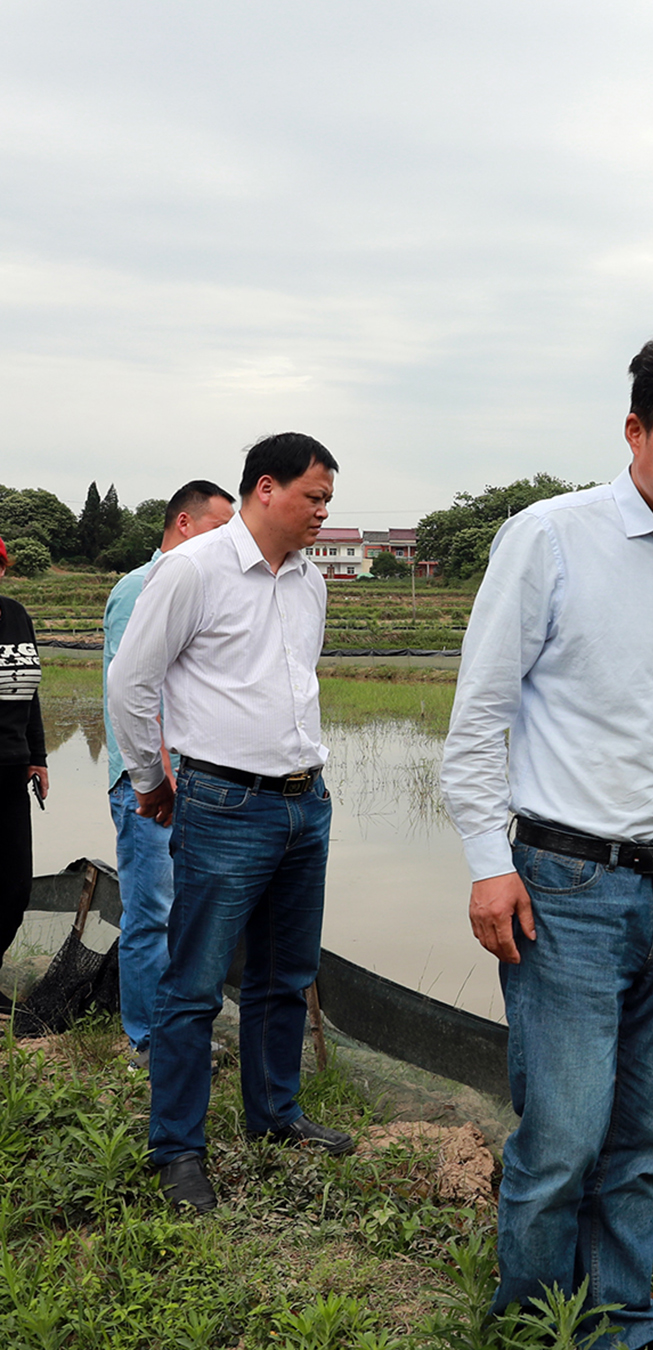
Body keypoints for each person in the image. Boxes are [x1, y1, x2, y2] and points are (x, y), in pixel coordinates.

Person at [440, 325, 653, 1349]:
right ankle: (534, 1323)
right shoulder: (548, 537)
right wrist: (491, 867)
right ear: (636, 430)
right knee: (565, 1138)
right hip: (566, 884)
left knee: (649, 1136)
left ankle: (622, 1320)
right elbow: (478, 715)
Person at [108, 433, 349, 1215]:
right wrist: (151, 780)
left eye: (329, 501)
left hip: (303, 802)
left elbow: (293, 683)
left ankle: (275, 1114)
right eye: (314, 497)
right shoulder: (193, 570)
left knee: (286, 974)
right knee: (194, 984)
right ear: (267, 488)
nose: (322, 513)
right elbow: (130, 683)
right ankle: (177, 1149)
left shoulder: (311, 582)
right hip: (224, 804)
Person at [102, 480, 237, 1064]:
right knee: (151, 914)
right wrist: (154, 777)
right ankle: (147, 1039)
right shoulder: (142, 588)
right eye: (216, 530)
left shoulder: (203, 585)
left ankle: (178, 1032)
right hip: (151, 784)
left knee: (187, 915)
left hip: (198, 782)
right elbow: (133, 691)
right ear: (184, 524)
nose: (226, 544)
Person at [0, 536, 50, 1012]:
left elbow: (29, 692)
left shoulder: (16, 615)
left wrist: (38, 756)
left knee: (15, 886)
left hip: (11, 771)